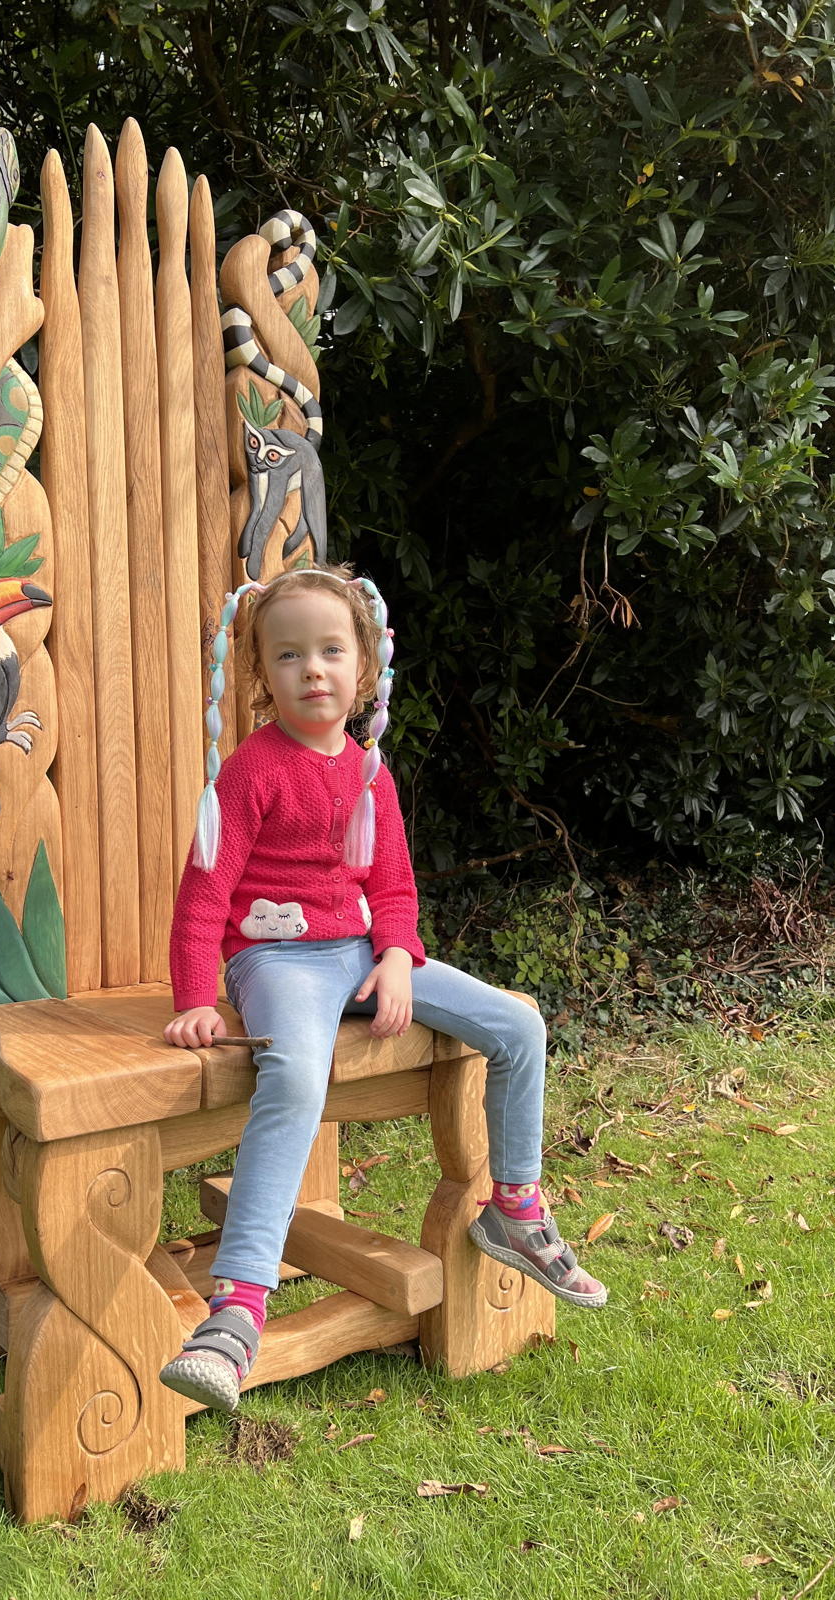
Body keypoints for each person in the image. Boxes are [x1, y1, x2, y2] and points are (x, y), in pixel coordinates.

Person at [158, 564, 607, 1414]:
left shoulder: (370, 774)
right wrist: (194, 996)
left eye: (330, 651)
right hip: (279, 961)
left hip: (365, 954)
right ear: (262, 673)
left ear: (363, 669)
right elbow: (205, 894)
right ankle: (237, 1311)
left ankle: (513, 1205)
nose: (313, 670)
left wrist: (398, 957)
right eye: (289, 656)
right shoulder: (251, 772)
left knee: (516, 1027)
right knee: (295, 1073)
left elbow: (395, 888)